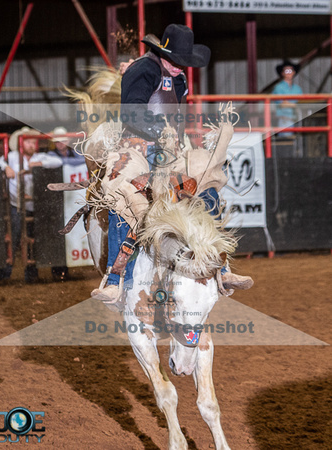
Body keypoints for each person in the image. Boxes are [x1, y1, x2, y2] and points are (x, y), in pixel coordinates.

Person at [95, 24, 253, 302]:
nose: (182, 67)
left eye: (185, 62)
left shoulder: (178, 78)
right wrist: (161, 130)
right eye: (177, 61)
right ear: (164, 53)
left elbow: (178, 116)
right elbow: (132, 113)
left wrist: (181, 138)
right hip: (137, 148)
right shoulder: (143, 70)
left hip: (173, 151)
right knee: (121, 193)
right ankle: (116, 277)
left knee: (207, 185)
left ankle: (221, 268)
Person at [0, 126, 62, 282]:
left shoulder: (40, 158)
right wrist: (6, 167)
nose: (32, 145)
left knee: (33, 238)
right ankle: (5, 273)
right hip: (15, 204)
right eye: (28, 142)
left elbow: (58, 161)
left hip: (32, 205)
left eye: (33, 142)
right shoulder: (11, 157)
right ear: (21, 143)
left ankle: (31, 273)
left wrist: (37, 165)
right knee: (15, 237)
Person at [48, 126, 86, 280]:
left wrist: (63, 162)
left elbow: (82, 159)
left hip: (71, 200)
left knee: (71, 231)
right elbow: (51, 161)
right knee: (59, 232)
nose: (60, 143)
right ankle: (58, 270)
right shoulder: (51, 154)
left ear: (68, 140)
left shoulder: (74, 154)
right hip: (57, 200)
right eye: (57, 140)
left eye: (63, 140)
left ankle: (65, 268)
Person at [272, 59, 303, 137]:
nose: (289, 73)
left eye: (290, 70)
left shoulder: (297, 89)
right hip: (285, 119)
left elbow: (302, 102)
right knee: (287, 141)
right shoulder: (278, 88)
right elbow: (282, 103)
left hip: (298, 119)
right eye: (286, 71)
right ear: (282, 73)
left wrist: (291, 104)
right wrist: (295, 106)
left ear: (294, 72)